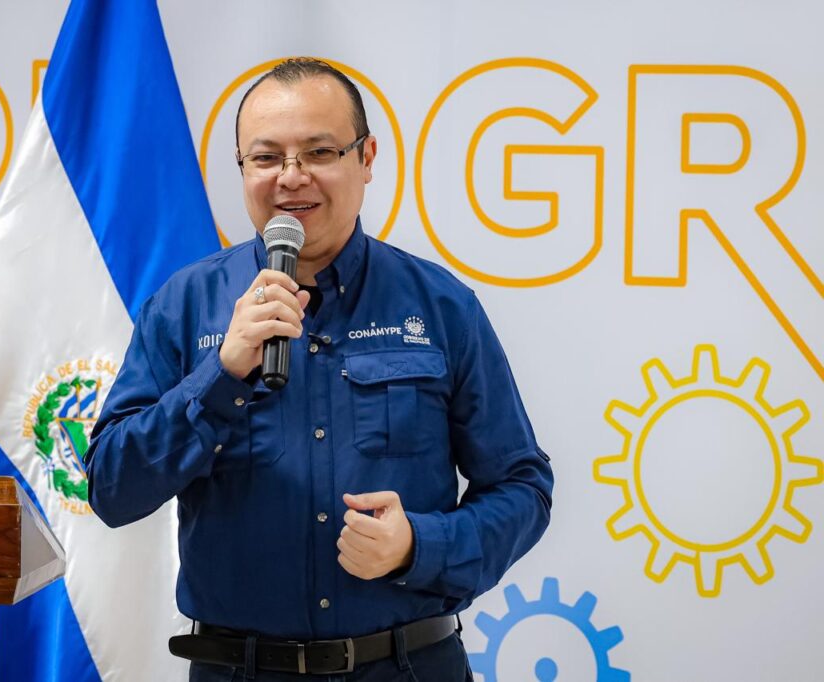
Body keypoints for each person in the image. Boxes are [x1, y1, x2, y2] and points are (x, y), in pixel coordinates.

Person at [86, 58, 554, 681]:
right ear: (242, 168)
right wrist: (220, 375)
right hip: (241, 670)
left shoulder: (441, 306)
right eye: (266, 158)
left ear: (366, 159)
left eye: (319, 152)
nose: (291, 177)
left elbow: (523, 487)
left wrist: (419, 546)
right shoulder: (184, 305)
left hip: (407, 667)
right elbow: (112, 489)